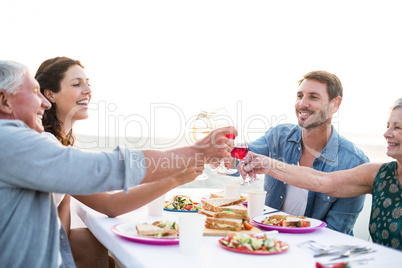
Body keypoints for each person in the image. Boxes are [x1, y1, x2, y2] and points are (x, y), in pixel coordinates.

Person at [0, 60, 236, 267]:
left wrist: (177, 176)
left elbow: (85, 213)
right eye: (34, 91)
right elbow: (105, 169)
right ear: (4, 100)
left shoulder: (44, 148)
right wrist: (195, 152)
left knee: (96, 243)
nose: (44, 103)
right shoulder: (14, 141)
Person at [35, 56, 200, 268]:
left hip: (50, 246)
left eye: (88, 83)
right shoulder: (47, 148)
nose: (87, 90)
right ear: (50, 94)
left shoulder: (62, 148)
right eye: (77, 84)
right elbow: (110, 205)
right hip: (33, 253)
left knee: (90, 242)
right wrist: (175, 177)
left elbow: (62, 221)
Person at [240, 97, 402, 250]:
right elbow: (320, 181)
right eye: (388, 126)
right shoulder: (379, 174)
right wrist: (267, 165)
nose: (386, 134)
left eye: (397, 127)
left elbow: (337, 233)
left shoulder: (357, 159)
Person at [246, 71, 369, 235]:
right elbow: (241, 161)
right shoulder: (278, 136)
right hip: (269, 242)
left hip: (315, 252)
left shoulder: (354, 163)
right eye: (299, 96)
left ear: (335, 104)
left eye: (313, 97)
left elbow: (336, 233)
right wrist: (224, 149)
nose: (302, 104)